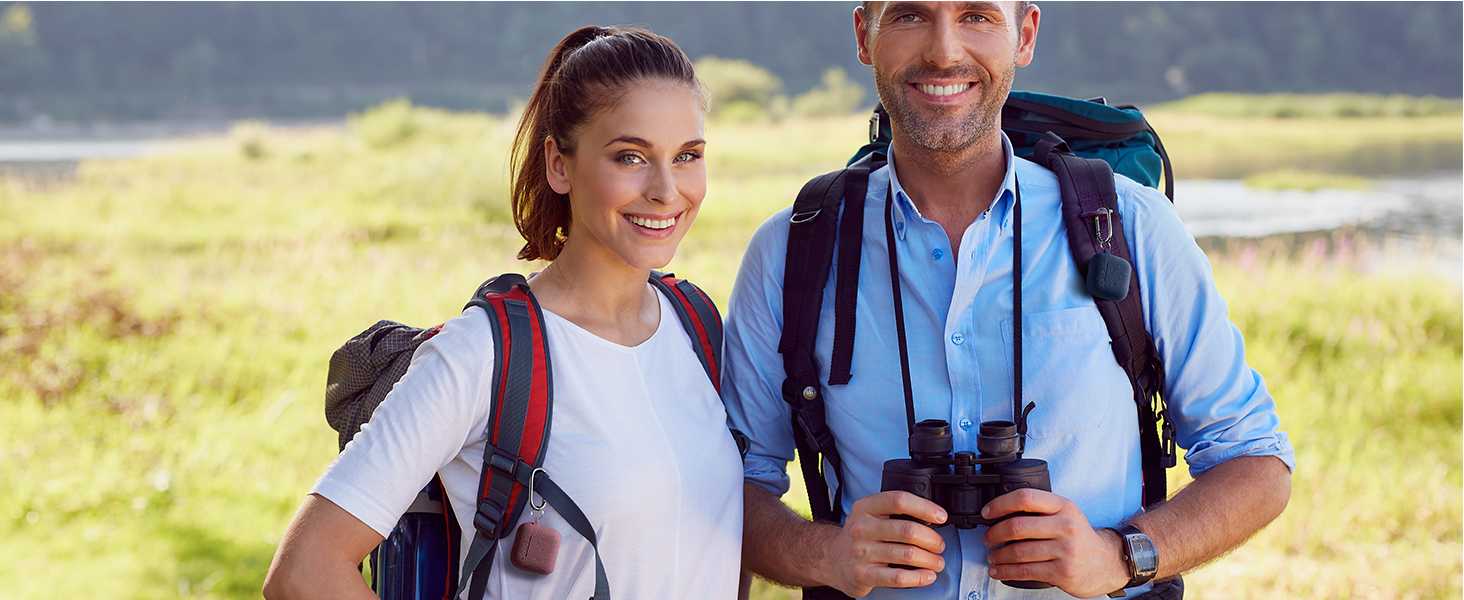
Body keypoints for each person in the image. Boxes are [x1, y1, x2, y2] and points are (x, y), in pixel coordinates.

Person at [723, 2, 1294, 599]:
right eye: (910, 15)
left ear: (1024, 35)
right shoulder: (792, 248)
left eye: (977, 16)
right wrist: (828, 555)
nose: (944, 51)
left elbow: (1255, 459)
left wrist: (1120, 555)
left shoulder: (1130, 224)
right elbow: (734, 485)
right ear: (865, 36)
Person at [263, 25, 743, 600]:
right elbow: (305, 570)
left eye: (687, 156)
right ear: (559, 165)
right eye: (630, 157)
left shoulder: (695, 324)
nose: (666, 189)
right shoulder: (479, 354)